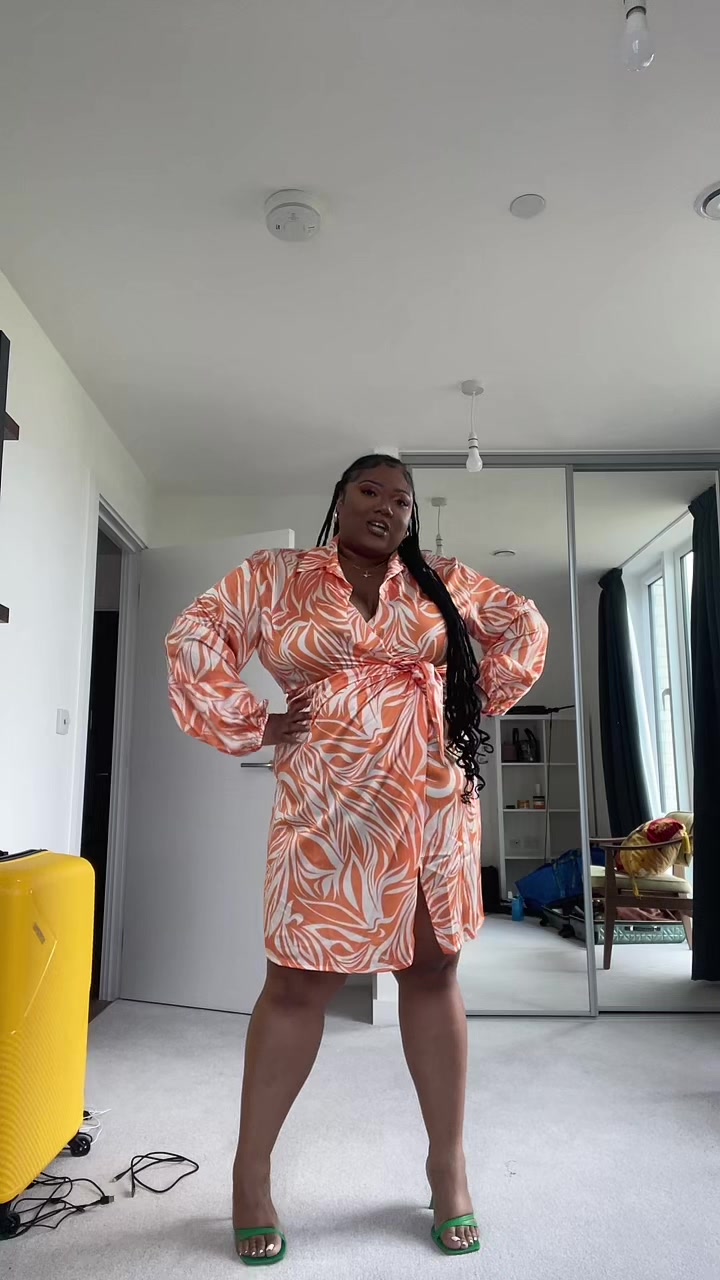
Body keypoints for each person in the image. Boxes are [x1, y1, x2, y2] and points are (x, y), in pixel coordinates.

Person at [166, 454, 548, 1264]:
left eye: (401, 500)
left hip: (431, 797)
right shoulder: (276, 575)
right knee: (297, 980)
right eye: (370, 491)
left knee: (433, 968)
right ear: (339, 500)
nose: (386, 507)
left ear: (412, 516)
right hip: (327, 802)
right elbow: (195, 635)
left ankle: (447, 1166)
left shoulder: (443, 579)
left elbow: (524, 625)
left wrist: (465, 697)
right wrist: (258, 721)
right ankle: (250, 1172)